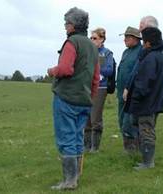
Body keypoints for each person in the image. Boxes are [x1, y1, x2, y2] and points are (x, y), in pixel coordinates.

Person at [47, 7, 99, 190]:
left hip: (66, 98)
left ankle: (69, 181)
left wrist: (52, 71)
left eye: (66, 23)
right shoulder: (93, 47)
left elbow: (65, 69)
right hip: (84, 101)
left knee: (66, 138)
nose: (65, 26)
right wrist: (89, 97)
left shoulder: (71, 43)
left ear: (73, 25)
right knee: (77, 137)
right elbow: (95, 78)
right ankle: (76, 176)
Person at [124, 27, 163, 170]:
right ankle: (146, 161)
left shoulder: (151, 58)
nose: (143, 44)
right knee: (147, 130)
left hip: (146, 104)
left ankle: (148, 163)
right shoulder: (159, 56)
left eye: (144, 41)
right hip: (153, 102)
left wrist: (135, 99)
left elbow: (143, 84)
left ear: (149, 43)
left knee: (146, 132)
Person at [84, 28, 114, 153]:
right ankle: (86, 145)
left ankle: (95, 147)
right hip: (87, 87)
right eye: (91, 38)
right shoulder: (87, 52)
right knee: (86, 117)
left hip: (100, 87)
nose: (92, 40)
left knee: (95, 117)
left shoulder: (107, 53)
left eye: (95, 38)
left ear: (102, 39)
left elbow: (109, 70)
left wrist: (97, 68)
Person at [116, 26, 142, 153]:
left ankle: (134, 149)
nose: (124, 40)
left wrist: (129, 88)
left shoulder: (141, 51)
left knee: (129, 121)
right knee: (121, 120)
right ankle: (128, 147)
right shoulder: (126, 52)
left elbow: (136, 72)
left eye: (127, 37)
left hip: (132, 93)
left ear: (135, 39)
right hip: (121, 92)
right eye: (125, 37)